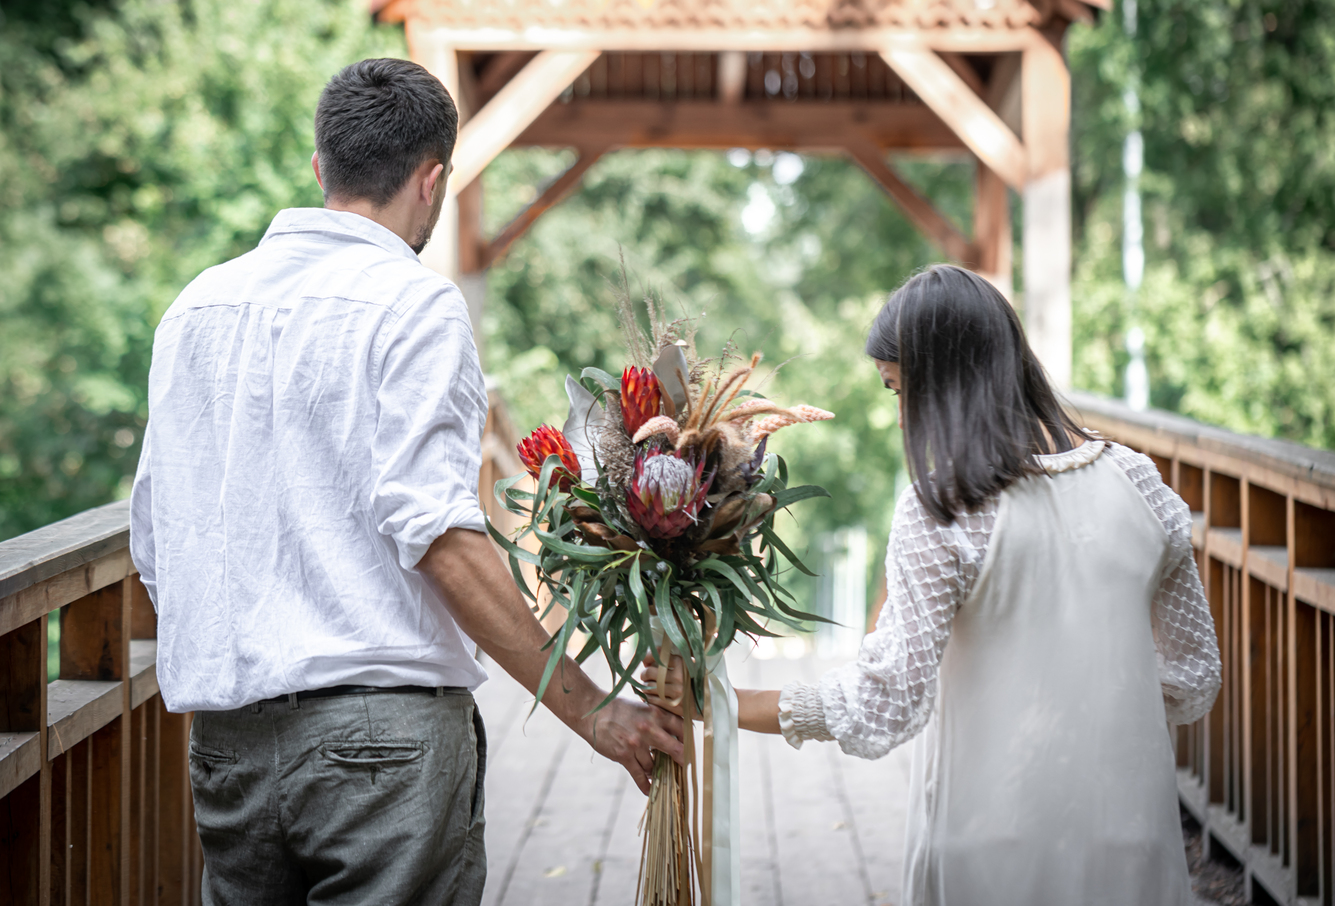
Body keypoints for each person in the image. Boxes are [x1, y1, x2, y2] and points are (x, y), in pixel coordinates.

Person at [129, 58, 684, 906]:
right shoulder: (412, 304)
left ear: (321, 168)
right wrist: (590, 708)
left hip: (229, 742)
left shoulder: (193, 309)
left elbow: (154, 537)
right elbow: (438, 537)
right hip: (381, 747)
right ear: (432, 181)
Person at [648, 265, 1222, 905]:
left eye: (899, 392)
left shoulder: (945, 508)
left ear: (947, 386)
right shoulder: (1141, 483)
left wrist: (719, 703)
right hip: (1134, 841)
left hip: (994, 844)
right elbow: (1195, 678)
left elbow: (884, 705)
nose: (899, 419)